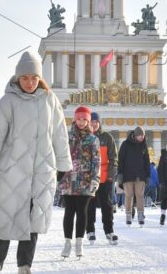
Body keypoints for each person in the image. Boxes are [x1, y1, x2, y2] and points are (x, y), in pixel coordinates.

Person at [0, 52, 73, 274]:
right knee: (4, 220)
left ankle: (25, 266)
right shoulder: (7, 102)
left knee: (33, 222)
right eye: (25, 78)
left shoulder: (50, 100)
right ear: (18, 78)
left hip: (40, 171)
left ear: (40, 78)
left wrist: (63, 165)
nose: (30, 82)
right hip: (10, 172)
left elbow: (59, 135)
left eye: (34, 78)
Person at [58, 106, 101, 259]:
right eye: (79, 119)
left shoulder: (93, 139)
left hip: (85, 180)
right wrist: (58, 175)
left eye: (85, 119)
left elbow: (96, 161)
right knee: (69, 212)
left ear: (88, 121)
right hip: (68, 180)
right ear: (75, 119)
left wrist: (95, 179)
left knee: (82, 212)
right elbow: (60, 156)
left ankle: (79, 242)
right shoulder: (67, 136)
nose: (82, 122)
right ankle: (67, 242)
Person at [85, 112, 119, 246]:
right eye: (91, 122)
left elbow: (114, 158)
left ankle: (109, 231)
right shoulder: (86, 138)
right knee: (89, 206)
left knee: (107, 206)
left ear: (99, 123)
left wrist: (111, 175)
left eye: (96, 122)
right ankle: (90, 231)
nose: (94, 124)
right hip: (89, 178)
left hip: (105, 178)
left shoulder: (107, 138)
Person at [117, 127, 150, 225]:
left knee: (140, 195)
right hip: (127, 175)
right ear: (135, 135)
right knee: (129, 195)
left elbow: (147, 162)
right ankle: (128, 215)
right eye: (140, 135)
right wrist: (120, 173)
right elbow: (121, 160)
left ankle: (140, 215)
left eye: (143, 135)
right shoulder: (125, 144)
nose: (142, 137)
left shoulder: (144, 145)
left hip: (140, 175)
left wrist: (148, 175)